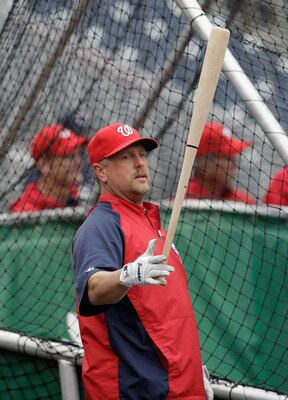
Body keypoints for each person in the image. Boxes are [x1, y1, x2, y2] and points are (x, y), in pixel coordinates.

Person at [72, 122, 210, 399]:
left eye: (142, 155)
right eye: (125, 157)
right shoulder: (102, 225)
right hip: (136, 390)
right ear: (100, 171)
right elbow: (94, 289)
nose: (139, 163)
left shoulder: (149, 222)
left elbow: (167, 314)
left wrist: (192, 372)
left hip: (178, 385)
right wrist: (127, 275)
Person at [9, 124, 88, 213]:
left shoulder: (80, 200)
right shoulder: (26, 212)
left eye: (79, 154)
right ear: (43, 165)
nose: (79, 161)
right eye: (68, 156)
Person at [186, 121, 256, 204]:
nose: (234, 164)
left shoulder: (244, 202)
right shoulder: (183, 203)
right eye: (228, 158)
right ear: (204, 165)